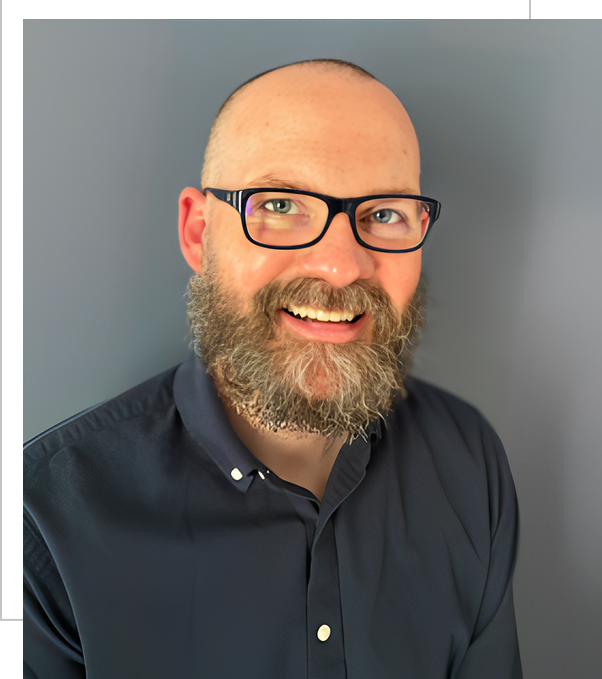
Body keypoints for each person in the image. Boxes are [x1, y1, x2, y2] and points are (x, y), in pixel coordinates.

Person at [24, 59, 522, 678]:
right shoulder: (40, 523)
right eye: (281, 204)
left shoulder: (469, 460)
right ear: (198, 231)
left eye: (385, 214)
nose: (340, 266)